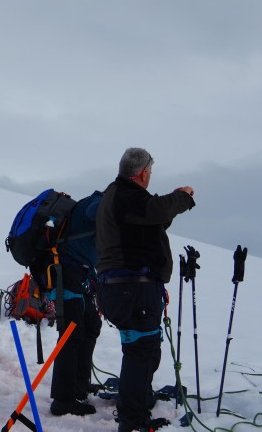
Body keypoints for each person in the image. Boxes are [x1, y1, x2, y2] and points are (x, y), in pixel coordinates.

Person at [95, 148, 195, 432]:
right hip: (132, 288)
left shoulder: (118, 196)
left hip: (126, 287)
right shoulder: (126, 194)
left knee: (143, 348)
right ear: (142, 174)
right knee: (141, 349)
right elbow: (155, 210)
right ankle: (133, 419)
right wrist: (184, 197)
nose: (150, 176)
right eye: (149, 172)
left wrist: (173, 205)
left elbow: (152, 219)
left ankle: (137, 401)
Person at [49, 190, 103, 417]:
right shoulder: (98, 204)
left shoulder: (94, 201)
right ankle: (63, 399)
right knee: (70, 334)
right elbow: (95, 213)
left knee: (91, 325)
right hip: (66, 273)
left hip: (78, 274)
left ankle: (78, 385)